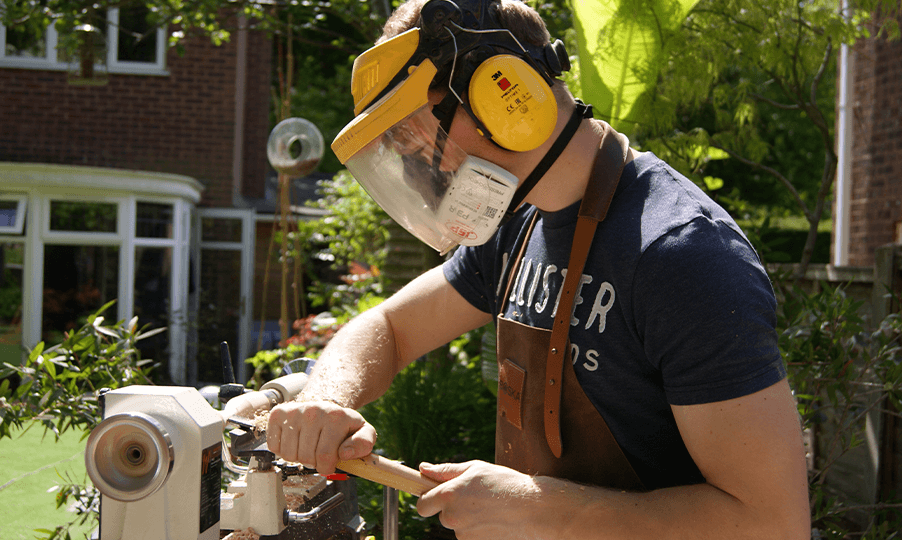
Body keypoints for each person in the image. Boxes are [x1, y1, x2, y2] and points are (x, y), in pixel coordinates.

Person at [267, 0, 810, 537]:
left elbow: (770, 522)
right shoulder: (518, 222)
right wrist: (325, 400)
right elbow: (390, 327)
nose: (423, 167)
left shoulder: (682, 255)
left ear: (503, 94)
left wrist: (540, 509)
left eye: (418, 136)